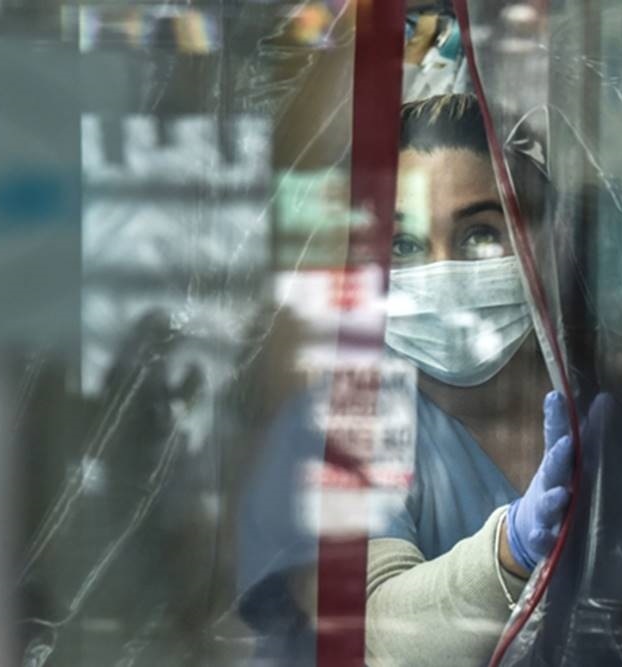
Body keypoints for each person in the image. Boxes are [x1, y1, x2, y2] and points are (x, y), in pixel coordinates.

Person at [236, 93, 572, 665]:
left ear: (546, 240)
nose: (443, 271)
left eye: (481, 234)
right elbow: (375, 632)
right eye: (404, 245)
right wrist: (511, 550)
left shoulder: (602, 414)